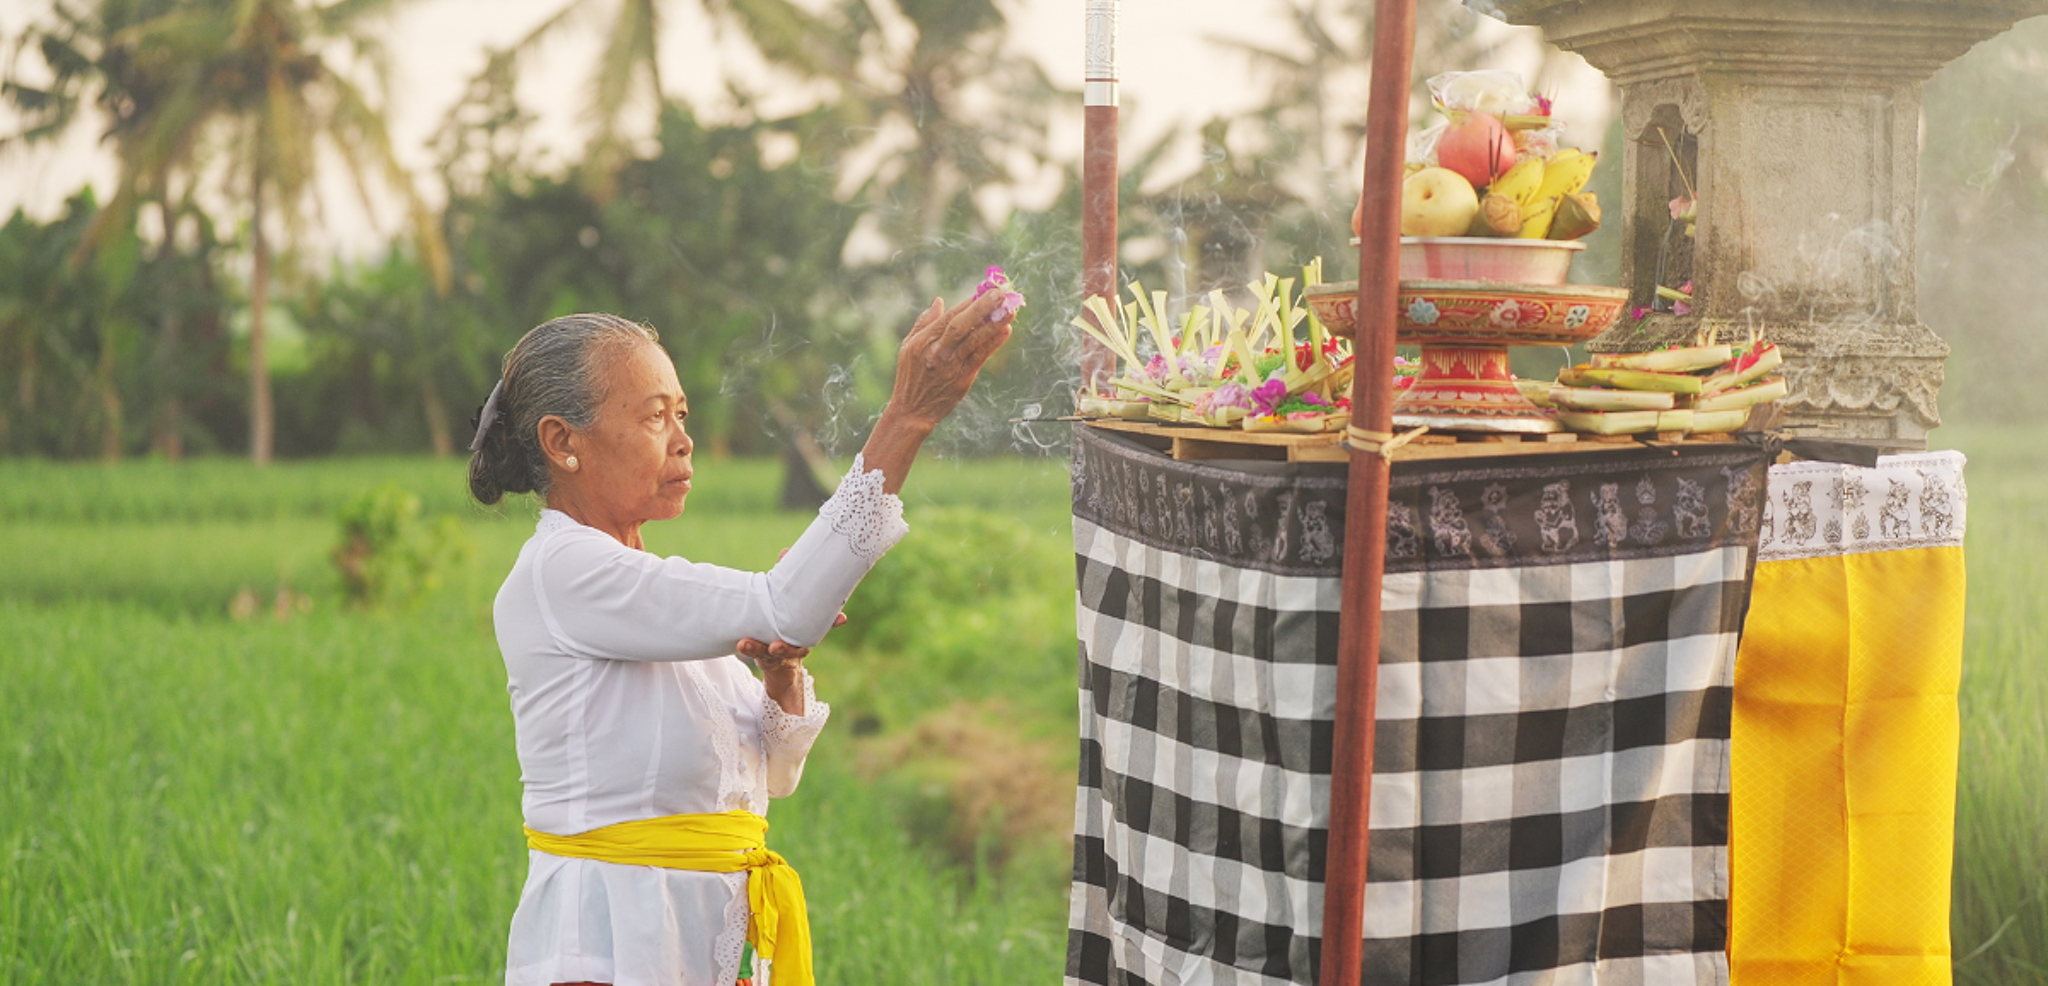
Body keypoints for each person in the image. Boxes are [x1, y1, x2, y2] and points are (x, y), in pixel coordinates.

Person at [466, 289, 1015, 986]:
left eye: (683, 414)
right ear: (562, 442)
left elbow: (770, 778)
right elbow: (785, 604)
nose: (684, 439)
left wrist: (780, 677)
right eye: (654, 416)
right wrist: (906, 416)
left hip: (705, 933)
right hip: (613, 941)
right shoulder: (565, 571)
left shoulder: (644, 584)